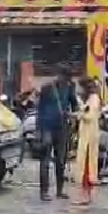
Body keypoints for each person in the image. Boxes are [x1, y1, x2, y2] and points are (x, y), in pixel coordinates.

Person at [37, 66, 79, 202]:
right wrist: (39, 130)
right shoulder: (47, 88)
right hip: (47, 126)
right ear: (59, 75)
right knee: (45, 160)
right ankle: (44, 192)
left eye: (68, 79)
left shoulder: (70, 87)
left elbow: (74, 104)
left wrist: (73, 114)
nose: (66, 81)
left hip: (61, 127)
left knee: (61, 160)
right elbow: (40, 109)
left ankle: (60, 191)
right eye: (65, 78)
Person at [73, 78, 102, 205]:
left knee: (87, 166)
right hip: (86, 134)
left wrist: (78, 115)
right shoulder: (89, 99)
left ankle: (85, 196)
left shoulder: (94, 99)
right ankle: (85, 195)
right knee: (84, 165)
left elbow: (90, 116)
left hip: (89, 136)